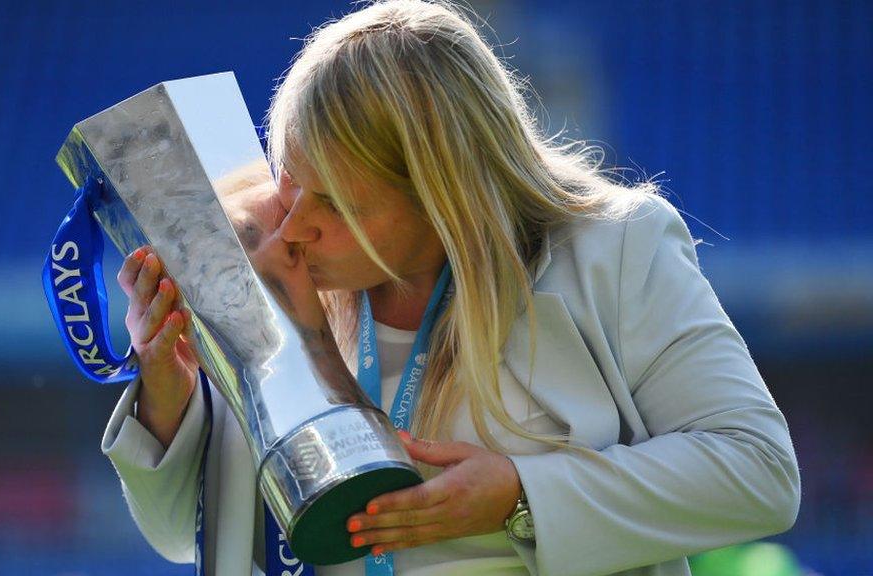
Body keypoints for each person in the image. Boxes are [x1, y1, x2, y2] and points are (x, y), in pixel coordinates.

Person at [100, 1, 801, 575]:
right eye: (291, 183)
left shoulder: (615, 247)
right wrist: (171, 382)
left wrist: (522, 498)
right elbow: (190, 538)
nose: (295, 229)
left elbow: (761, 473)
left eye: (339, 205)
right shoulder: (273, 277)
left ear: (445, 195)